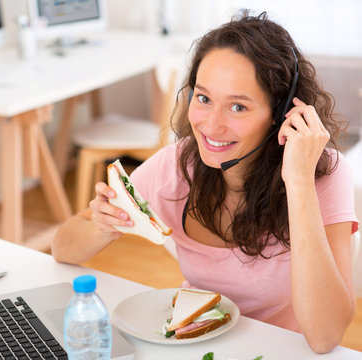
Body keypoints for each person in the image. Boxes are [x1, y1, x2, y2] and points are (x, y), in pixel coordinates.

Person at [51, 11, 359, 353]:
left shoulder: (324, 173)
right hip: (196, 346)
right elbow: (63, 249)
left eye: (238, 107)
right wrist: (104, 224)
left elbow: (326, 336)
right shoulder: (178, 163)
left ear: (281, 113)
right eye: (204, 98)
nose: (211, 125)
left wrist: (298, 182)